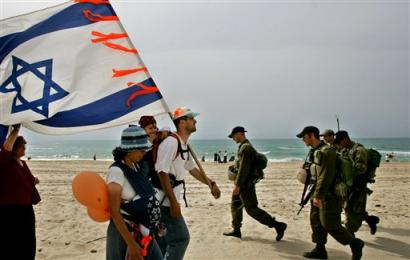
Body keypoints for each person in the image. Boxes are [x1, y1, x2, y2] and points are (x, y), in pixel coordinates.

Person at [155, 107, 221, 260]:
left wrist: (210, 184)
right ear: (182, 123)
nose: (195, 121)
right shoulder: (171, 142)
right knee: (181, 239)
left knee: (164, 241)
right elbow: (161, 172)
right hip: (163, 202)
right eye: (192, 119)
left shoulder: (183, 144)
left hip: (169, 201)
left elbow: (192, 169)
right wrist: (173, 202)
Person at [296, 126, 364, 260]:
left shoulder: (327, 152)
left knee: (330, 224)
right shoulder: (315, 151)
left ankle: (355, 244)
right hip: (318, 191)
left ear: (311, 135)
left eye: (304, 137)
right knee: (316, 221)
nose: (303, 140)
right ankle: (320, 250)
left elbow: (326, 176)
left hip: (330, 194)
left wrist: (318, 196)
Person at [106, 125, 163, 260]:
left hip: (142, 231)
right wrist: (131, 244)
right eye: (141, 150)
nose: (144, 153)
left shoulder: (135, 166)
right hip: (124, 233)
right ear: (129, 150)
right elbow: (114, 212)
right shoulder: (116, 172)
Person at [223, 126, 287, 240]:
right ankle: (236, 230)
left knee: (251, 209)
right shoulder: (242, 147)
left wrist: (238, 185)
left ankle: (278, 225)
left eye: (233, 136)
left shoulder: (246, 148)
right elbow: (241, 166)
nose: (233, 138)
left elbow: (244, 169)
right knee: (235, 205)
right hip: (242, 184)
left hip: (245, 185)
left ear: (240, 134)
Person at [0, 124, 40, 260]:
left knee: (29, 241)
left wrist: (34, 180)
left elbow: (29, 180)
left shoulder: (23, 163)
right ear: (14, 148)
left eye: (25, 145)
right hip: (9, 209)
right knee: (11, 243)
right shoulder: (5, 162)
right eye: (21, 145)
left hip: (26, 207)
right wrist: (16, 129)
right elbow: (5, 148)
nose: (24, 148)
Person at [334, 130, 380, 236]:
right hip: (348, 185)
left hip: (358, 186)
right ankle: (370, 220)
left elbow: (361, 169)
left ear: (345, 139)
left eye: (340, 142)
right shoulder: (345, 150)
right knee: (351, 208)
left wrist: (346, 171)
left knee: (353, 214)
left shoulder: (360, 151)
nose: (339, 145)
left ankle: (353, 241)